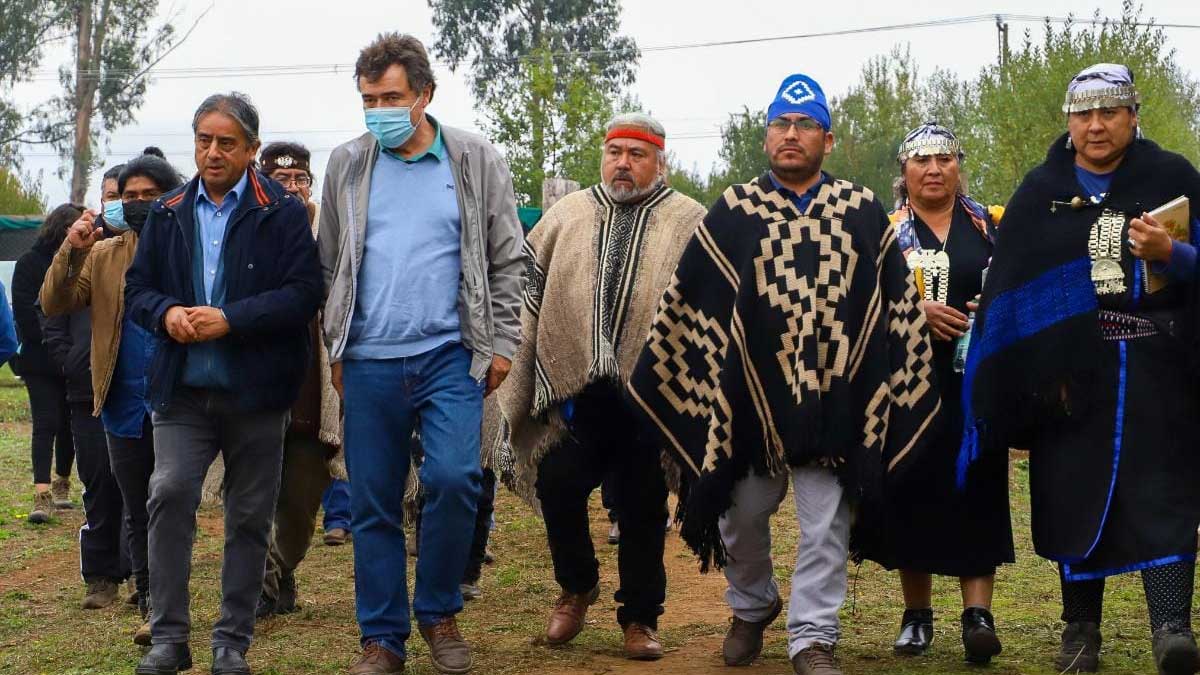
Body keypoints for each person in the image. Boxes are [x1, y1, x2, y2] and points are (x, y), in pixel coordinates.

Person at [626, 74, 940, 675]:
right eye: (781, 124)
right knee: (738, 517)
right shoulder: (735, 211)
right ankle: (753, 605)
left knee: (826, 524)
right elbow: (690, 304)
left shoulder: (861, 210)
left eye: (804, 126)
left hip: (839, 401)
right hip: (749, 405)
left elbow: (893, 307)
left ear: (827, 137)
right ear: (767, 134)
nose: (790, 136)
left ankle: (813, 639)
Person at [959, 63, 1200, 675]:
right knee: (1072, 497)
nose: (1096, 126)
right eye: (1084, 114)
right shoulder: (1040, 193)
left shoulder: (1174, 177)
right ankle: (1080, 634)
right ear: (1069, 120)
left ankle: (1171, 626)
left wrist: (1174, 253)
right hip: (1064, 382)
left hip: (1160, 372)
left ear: (1132, 115)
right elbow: (1009, 292)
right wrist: (1021, 378)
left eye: (1109, 112)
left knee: (1164, 495)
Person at [318, 33, 524, 675]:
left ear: (425, 95)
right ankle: (381, 638)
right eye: (368, 99)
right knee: (373, 499)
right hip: (369, 359)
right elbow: (329, 263)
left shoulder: (473, 159)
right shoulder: (347, 164)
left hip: (450, 354)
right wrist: (335, 347)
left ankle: (438, 612)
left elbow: (506, 256)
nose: (379, 109)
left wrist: (504, 342)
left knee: (455, 480)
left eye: (392, 97)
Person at [124, 92, 322, 675]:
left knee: (248, 513)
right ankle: (168, 638)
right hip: (182, 389)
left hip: (257, 391)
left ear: (252, 150)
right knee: (170, 492)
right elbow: (139, 291)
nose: (212, 153)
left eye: (226, 143)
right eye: (204, 140)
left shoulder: (280, 210)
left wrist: (232, 318)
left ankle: (231, 641)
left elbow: (303, 292)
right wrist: (166, 314)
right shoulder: (168, 212)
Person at [497, 112, 704, 660]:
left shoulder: (687, 221)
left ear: (660, 161)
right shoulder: (568, 215)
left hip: (652, 398)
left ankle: (640, 618)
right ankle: (577, 585)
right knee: (557, 484)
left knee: (641, 506)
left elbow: (710, 305)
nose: (623, 163)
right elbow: (527, 289)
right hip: (577, 398)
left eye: (637, 154)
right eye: (615, 152)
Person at [870, 122, 1014, 663]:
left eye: (945, 159)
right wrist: (913, 313)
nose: (934, 170)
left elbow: (1017, 286)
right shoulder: (884, 234)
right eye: (922, 161)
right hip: (908, 389)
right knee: (913, 492)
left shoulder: (992, 226)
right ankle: (917, 614)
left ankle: (978, 615)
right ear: (903, 173)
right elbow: (860, 305)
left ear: (960, 165)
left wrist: (994, 312)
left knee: (979, 491)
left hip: (976, 385)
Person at [41, 150, 183, 645]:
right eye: (129, 196)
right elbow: (55, 301)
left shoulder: (187, 247)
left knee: (170, 503)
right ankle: (150, 602)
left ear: (172, 197)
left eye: (150, 195)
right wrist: (72, 248)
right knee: (138, 505)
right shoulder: (102, 254)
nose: (139, 203)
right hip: (121, 401)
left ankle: (170, 602)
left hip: (179, 401)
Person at [255, 141, 344, 619]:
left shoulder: (330, 233)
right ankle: (261, 585)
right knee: (249, 494)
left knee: (300, 499)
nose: (291, 188)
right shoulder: (244, 228)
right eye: (280, 180)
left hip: (315, 387)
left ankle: (280, 568)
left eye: (300, 180)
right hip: (255, 386)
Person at [13, 203, 81, 523]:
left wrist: (71, 349)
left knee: (70, 422)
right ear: (63, 228)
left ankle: (62, 483)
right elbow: (26, 313)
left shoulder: (86, 260)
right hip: (40, 359)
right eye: (76, 225)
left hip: (73, 358)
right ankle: (41, 494)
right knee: (46, 422)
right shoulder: (29, 262)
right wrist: (53, 342)